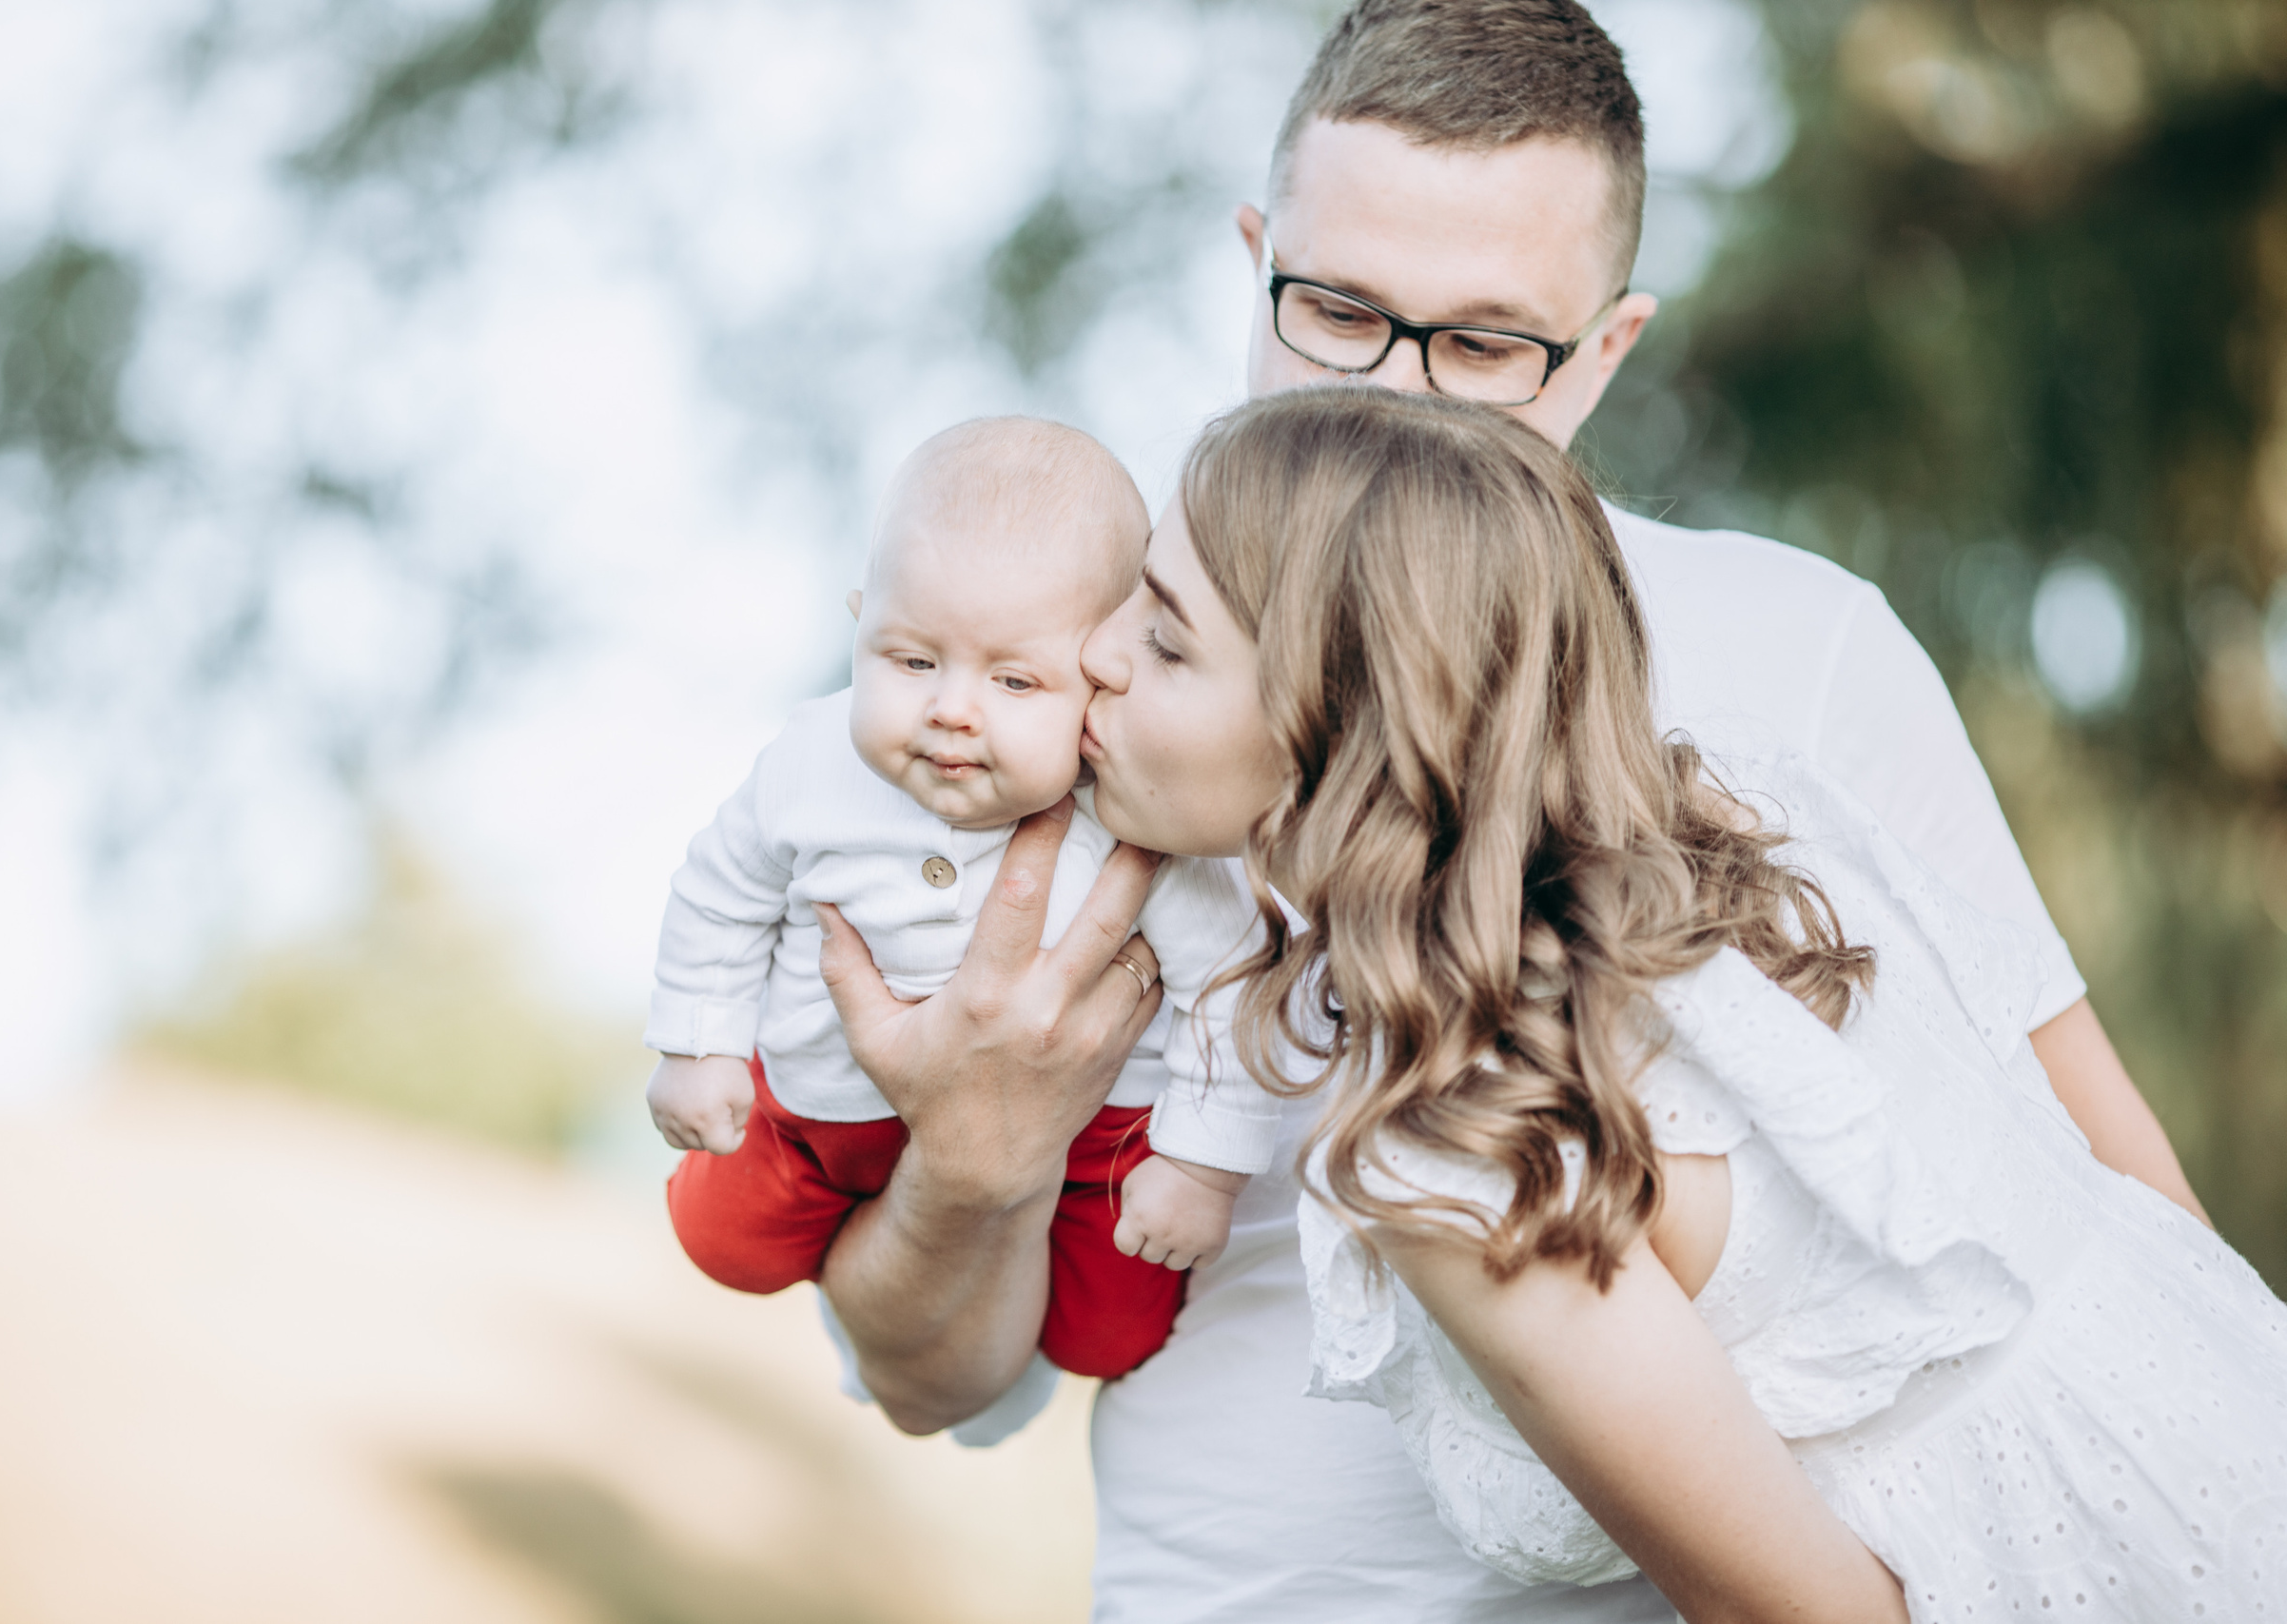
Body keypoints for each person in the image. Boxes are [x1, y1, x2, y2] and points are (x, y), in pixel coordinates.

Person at [806, 4, 2208, 1616]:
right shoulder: (1037, 686)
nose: (1404, 393)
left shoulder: (1802, 662)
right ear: (1257, 259)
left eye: (1484, 344)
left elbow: (2124, 1233)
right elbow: (933, 1383)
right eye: (1338, 313)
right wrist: (976, 1164)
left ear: (1608, 347)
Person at [1117, 382, 2287, 1620]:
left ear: (1343, 722)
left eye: (1165, 638)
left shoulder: (1457, 1142)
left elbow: (1803, 1612)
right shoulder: (1745, 816)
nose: (1095, 653)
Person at [645, 417, 1271, 1384]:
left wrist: (1198, 1164)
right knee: (719, 1241)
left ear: (1098, 681)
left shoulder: (1130, 818)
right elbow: (719, 894)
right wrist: (700, 1045)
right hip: (821, 1103)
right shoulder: (807, 767)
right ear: (859, 622)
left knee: (1108, 1340)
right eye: (911, 660)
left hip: (1092, 1136)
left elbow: (1226, 987)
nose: (952, 708)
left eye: (1016, 679)